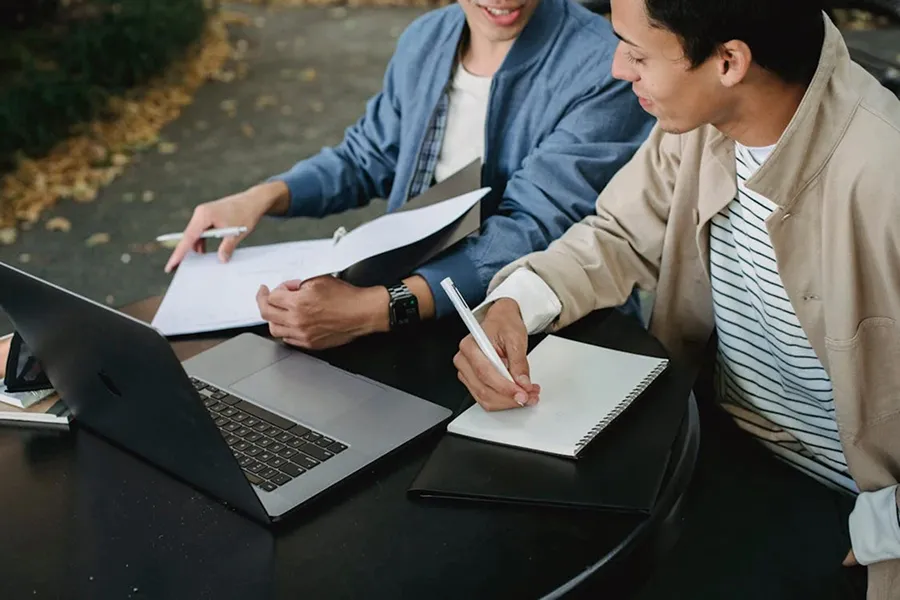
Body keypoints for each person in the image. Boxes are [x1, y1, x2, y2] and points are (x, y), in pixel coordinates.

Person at [452, 0, 900, 598]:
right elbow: (617, 234)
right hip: (709, 445)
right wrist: (514, 304)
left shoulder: (883, 171)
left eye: (638, 54)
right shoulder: (702, 122)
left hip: (845, 504)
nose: (617, 68)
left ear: (729, 61)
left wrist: (885, 527)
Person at [162, 0, 654, 350]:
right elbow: (367, 156)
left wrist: (375, 308)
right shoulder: (426, 39)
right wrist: (264, 196)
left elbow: (533, 228)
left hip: (537, 329)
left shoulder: (603, 65)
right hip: (401, 304)